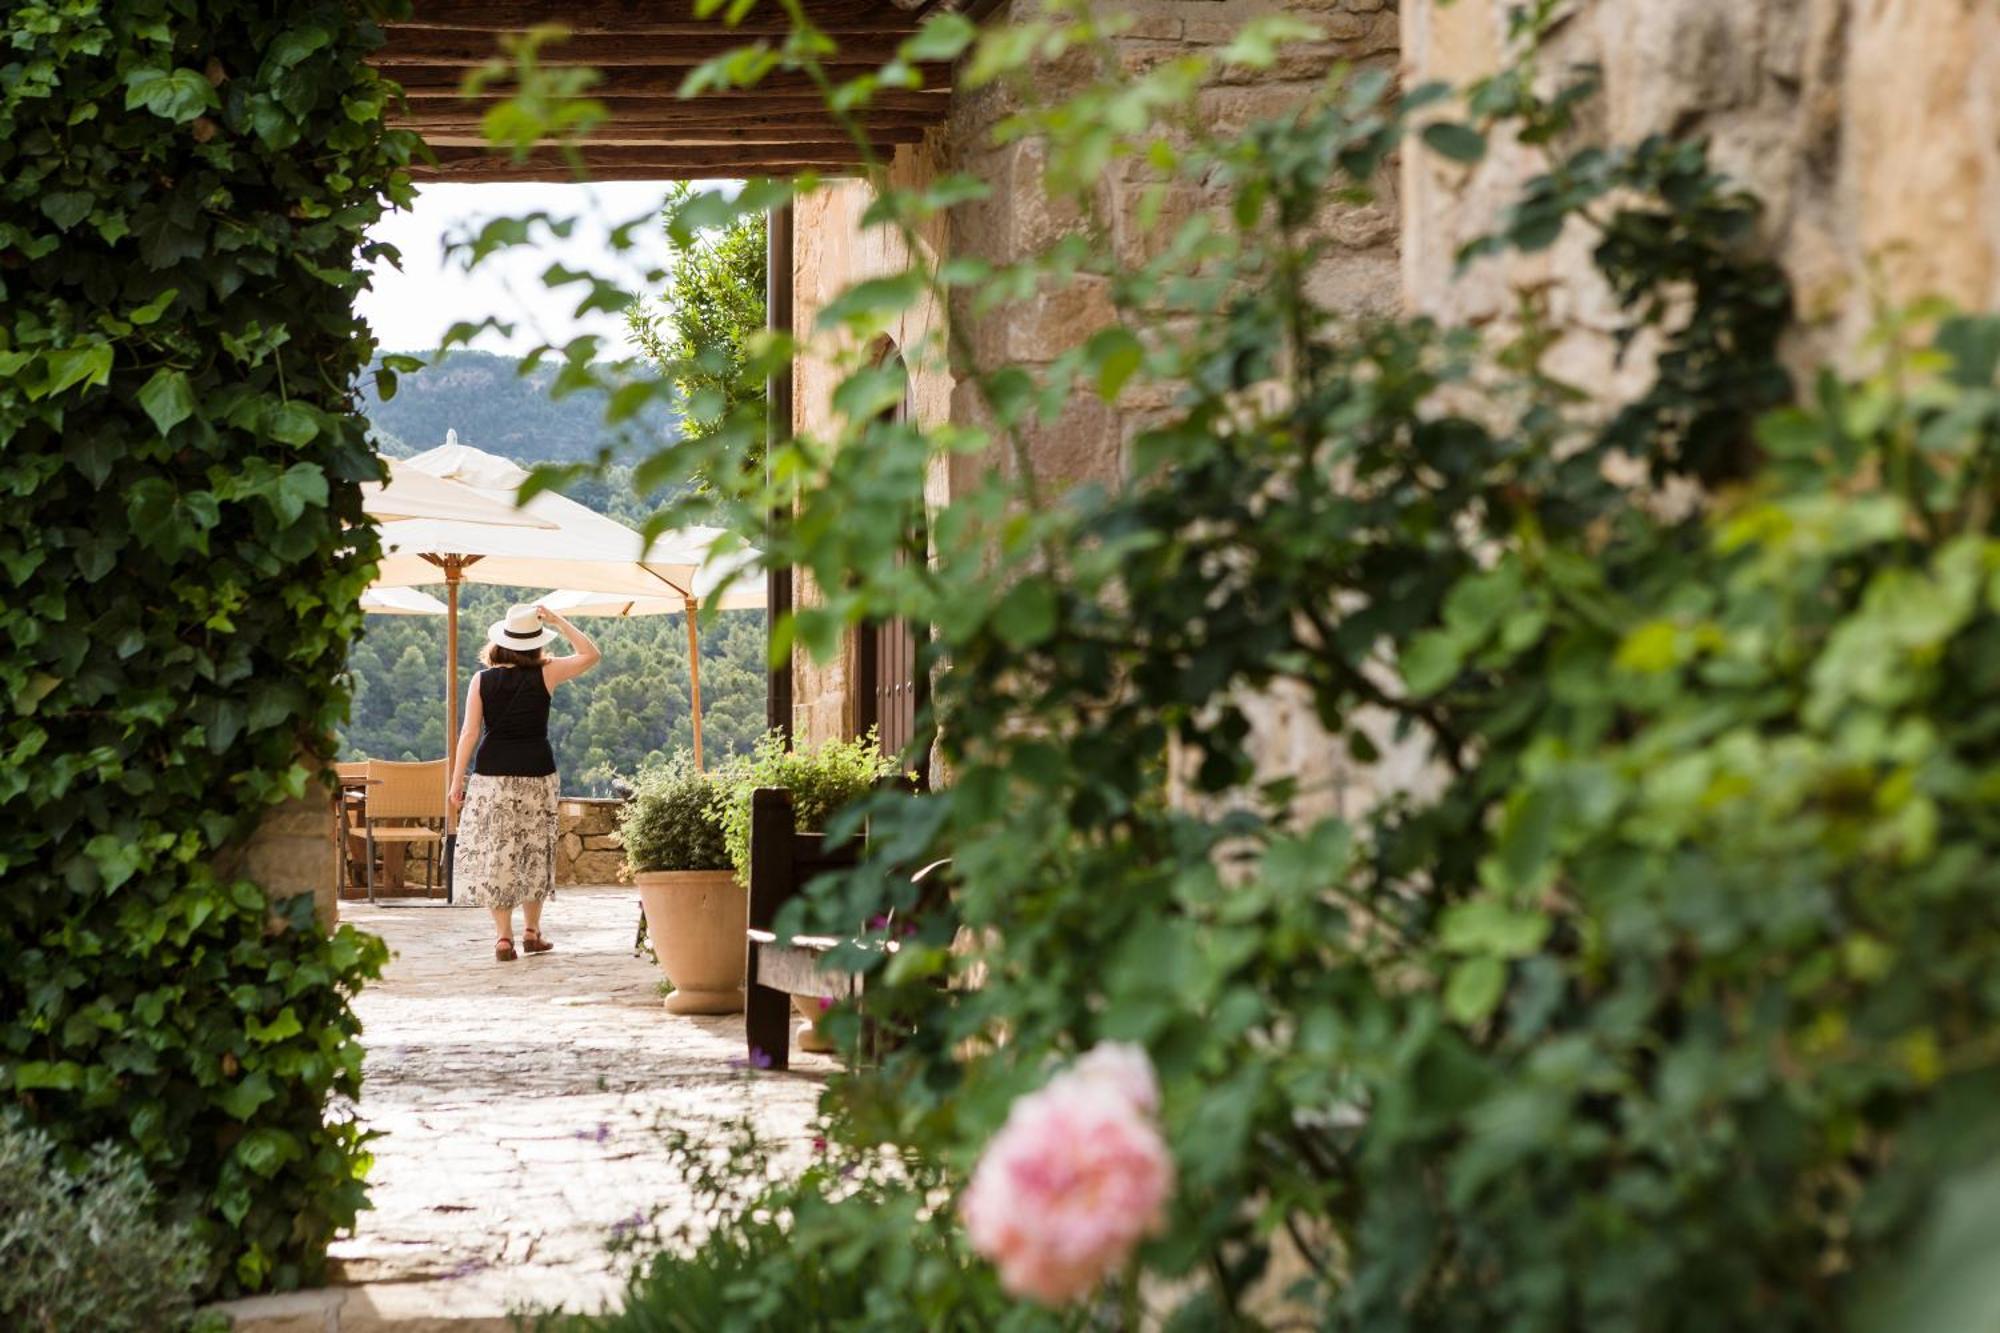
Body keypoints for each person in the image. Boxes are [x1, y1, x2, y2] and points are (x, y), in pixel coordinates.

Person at [449, 603, 601, 962]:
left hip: (491, 776)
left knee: (497, 854)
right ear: (535, 643)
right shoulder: (546, 673)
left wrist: (457, 780)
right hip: (537, 772)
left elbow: (470, 732)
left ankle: (504, 939)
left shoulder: (481, 680)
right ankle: (532, 932)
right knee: (535, 850)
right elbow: (591, 654)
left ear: (501, 642)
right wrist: (559, 621)